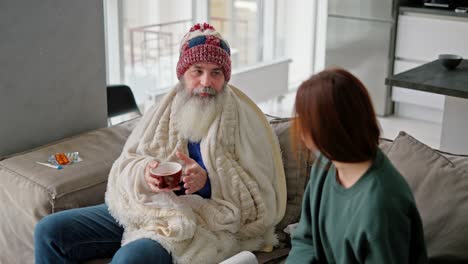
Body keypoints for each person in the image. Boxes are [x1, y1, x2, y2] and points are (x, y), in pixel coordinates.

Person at [34, 23, 286, 264]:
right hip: (148, 204)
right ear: (183, 74)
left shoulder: (246, 122)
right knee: (50, 231)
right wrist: (145, 174)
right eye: (197, 71)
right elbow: (129, 162)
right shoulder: (162, 111)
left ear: (226, 76)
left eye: (216, 72)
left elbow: (258, 198)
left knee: (131, 259)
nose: (206, 82)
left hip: (197, 222)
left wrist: (207, 184)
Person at [286, 68, 427, 263]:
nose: (300, 131)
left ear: (328, 129)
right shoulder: (325, 166)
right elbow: (305, 240)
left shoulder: (382, 203)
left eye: (305, 122)